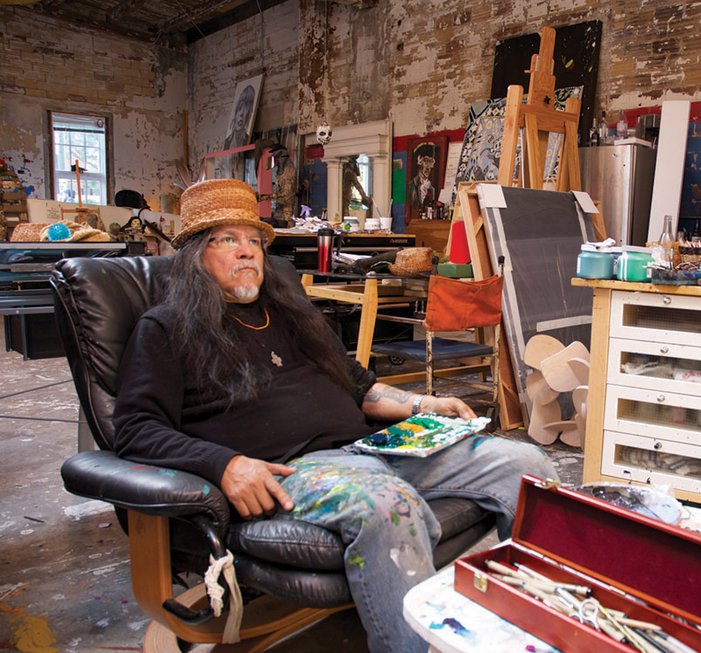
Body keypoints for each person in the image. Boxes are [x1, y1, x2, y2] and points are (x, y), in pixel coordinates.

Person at [111, 178, 556, 653]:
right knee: (389, 505)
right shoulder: (165, 328)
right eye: (228, 239)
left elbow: (358, 386)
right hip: (293, 470)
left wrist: (423, 406)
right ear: (196, 254)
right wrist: (225, 465)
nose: (247, 252)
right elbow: (137, 430)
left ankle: (540, 627)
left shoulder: (286, 313)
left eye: (254, 240)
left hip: (371, 448)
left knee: (526, 466)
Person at [407, 143, 437, 222]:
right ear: (419, 161)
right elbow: (413, 205)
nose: (427, 166)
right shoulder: (412, 185)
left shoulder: (432, 188)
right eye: (425, 161)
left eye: (430, 162)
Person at [224, 84, 256, 150]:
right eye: (240, 108)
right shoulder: (227, 142)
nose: (241, 115)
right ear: (236, 112)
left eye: (246, 113)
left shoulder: (247, 141)